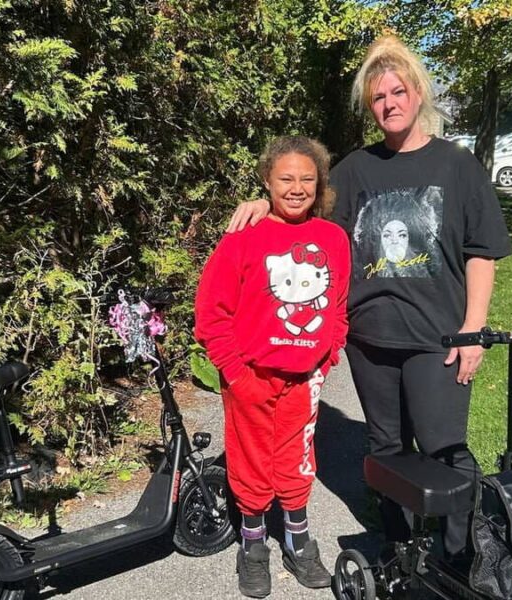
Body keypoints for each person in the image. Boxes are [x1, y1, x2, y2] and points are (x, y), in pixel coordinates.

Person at [226, 35, 512, 561]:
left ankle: (464, 555)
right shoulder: (356, 169)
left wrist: (473, 330)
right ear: (370, 106)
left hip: (440, 338)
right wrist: (260, 202)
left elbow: (481, 253)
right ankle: (400, 549)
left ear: (418, 93)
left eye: (398, 92)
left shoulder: (457, 165)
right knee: (385, 447)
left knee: (443, 444)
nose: (389, 105)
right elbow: (304, 221)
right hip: (370, 338)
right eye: (378, 98)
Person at [195, 136, 350, 598]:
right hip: (251, 377)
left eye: (307, 178)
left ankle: (299, 541)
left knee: (297, 461)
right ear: (267, 181)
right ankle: (254, 544)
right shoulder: (245, 236)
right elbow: (211, 314)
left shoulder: (332, 238)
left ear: (320, 184)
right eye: (286, 178)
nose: (297, 187)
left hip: (305, 378)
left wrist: (328, 355)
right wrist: (237, 374)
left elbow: (338, 306)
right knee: (250, 463)